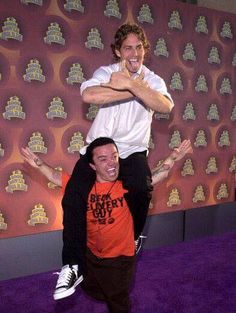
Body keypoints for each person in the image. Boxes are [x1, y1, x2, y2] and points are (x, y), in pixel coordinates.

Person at [53, 22, 174, 301]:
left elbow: (165, 106)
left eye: (139, 47)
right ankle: (72, 265)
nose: (134, 53)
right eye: (128, 48)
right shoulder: (106, 73)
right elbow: (89, 95)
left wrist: (131, 84)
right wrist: (134, 90)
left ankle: (131, 238)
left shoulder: (153, 79)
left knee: (141, 188)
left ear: (145, 50)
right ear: (118, 51)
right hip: (99, 145)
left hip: (132, 150)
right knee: (73, 197)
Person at [21, 138, 192, 311]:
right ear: (93, 166)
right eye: (103, 159)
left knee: (117, 298)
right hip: (91, 254)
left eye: (114, 157)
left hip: (120, 259)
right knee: (91, 290)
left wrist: (173, 157)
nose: (112, 163)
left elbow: (158, 174)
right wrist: (39, 164)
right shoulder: (82, 188)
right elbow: (56, 177)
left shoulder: (127, 186)